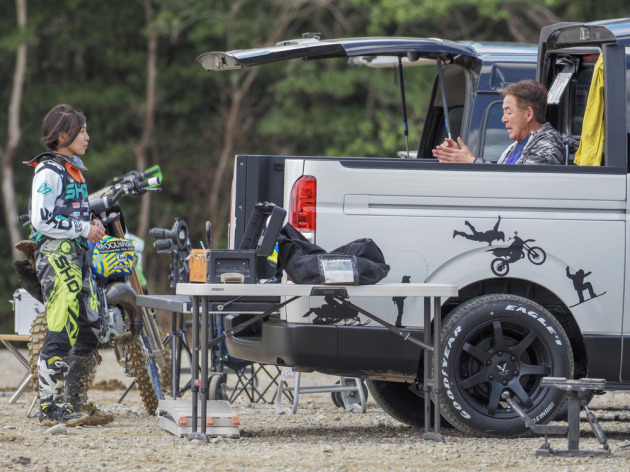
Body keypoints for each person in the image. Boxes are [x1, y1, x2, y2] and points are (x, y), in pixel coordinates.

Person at [24, 104, 112, 427]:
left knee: (91, 327)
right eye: (82, 131)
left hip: (77, 255)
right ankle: (49, 406)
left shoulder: (72, 168)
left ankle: (75, 400)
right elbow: (41, 219)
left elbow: (72, 214)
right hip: (56, 257)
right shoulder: (48, 170)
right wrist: (81, 229)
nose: (87, 137)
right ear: (63, 136)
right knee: (62, 326)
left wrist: (92, 226)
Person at [432, 79, 579, 165]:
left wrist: (473, 162)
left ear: (528, 114)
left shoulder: (549, 144)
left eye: (509, 112)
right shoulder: (515, 146)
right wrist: (463, 161)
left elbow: (518, 184)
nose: (503, 119)